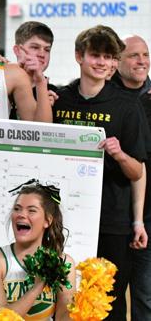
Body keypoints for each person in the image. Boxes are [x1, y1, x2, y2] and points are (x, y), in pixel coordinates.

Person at [52, 25, 146, 321]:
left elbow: (137, 171)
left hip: (111, 221)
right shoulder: (60, 100)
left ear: (115, 62)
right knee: (63, 296)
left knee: (110, 303)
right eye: (95, 55)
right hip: (62, 218)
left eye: (108, 57)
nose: (102, 62)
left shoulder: (127, 107)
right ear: (79, 56)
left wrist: (119, 155)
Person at [0, 181, 76, 320]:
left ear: (47, 220)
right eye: (17, 209)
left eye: (31, 210)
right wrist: (38, 286)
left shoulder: (64, 263)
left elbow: (63, 317)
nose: (21, 215)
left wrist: (86, 306)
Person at [111, 34, 151, 320]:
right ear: (118, 62)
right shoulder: (105, 97)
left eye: (145, 55)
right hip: (112, 211)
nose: (142, 61)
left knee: (145, 291)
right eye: (134, 55)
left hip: (148, 212)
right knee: (108, 292)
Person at [10, 21, 59, 119]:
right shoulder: (1, 81)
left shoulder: (55, 94)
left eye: (47, 50)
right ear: (17, 50)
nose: (42, 54)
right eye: (35, 47)